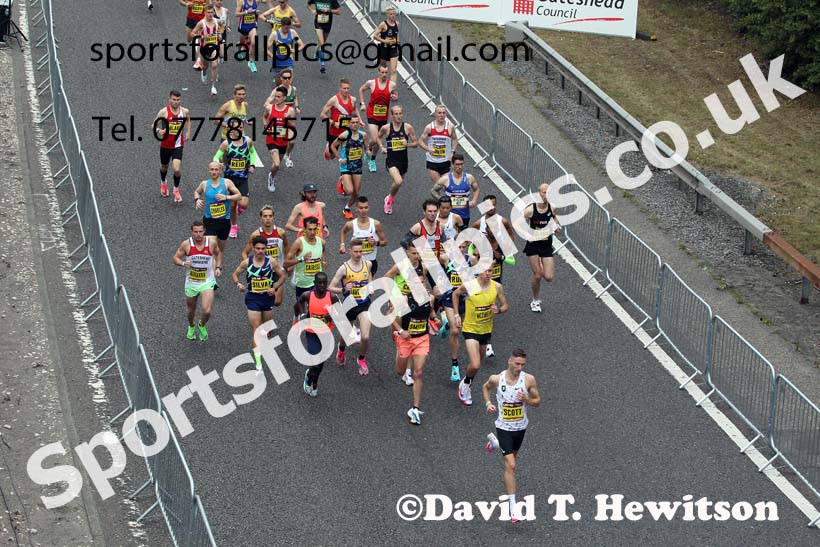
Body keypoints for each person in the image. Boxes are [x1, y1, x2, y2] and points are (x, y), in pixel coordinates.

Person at [483, 349, 541, 522]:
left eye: (522, 364)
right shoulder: (497, 379)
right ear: (509, 361)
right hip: (503, 426)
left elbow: (537, 401)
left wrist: (526, 400)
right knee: (512, 465)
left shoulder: (528, 379)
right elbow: (485, 388)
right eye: (517, 363)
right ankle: (512, 507)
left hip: (520, 427)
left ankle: (495, 442)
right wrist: (488, 403)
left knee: (511, 460)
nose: (519, 367)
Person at [453, 266, 509, 406]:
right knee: (476, 363)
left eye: (490, 271)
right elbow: (455, 294)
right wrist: (456, 314)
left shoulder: (497, 287)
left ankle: (467, 380)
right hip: (470, 329)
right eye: (484, 270)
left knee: (477, 363)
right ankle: (465, 385)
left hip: (486, 330)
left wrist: (500, 310)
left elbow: (505, 305)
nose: (487, 273)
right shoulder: (470, 286)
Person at [232, 235, 287, 369]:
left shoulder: (271, 262)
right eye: (257, 248)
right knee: (256, 330)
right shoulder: (247, 263)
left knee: (267, 327)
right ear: (253, 249)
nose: (260, 251)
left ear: (266, 248)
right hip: (253, 298)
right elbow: (235, 274)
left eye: (263, 248)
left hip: (267, 298)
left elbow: (282, 277)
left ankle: (262, 338)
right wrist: (238, 284)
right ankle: (258, 364)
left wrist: (274, 287)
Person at [391, 274, 438, 425]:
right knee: (400, 371)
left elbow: (430, 313)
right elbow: (392, 319)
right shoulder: (404, 300)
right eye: (419, 282)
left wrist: (435, 319)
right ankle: (399, 349)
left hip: (422, 339)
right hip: (405, 339)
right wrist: (400, 331)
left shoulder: (430, 298)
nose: (422, 285)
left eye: (423, 282)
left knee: (418, 372)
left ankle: (415, 408)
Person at [329, 239, 373, 375]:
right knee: (346, 336)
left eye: (361, 251)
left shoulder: (368, 264)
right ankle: (341, 350)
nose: (359, 254)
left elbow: (369, 276)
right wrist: (343, 289)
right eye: (356, 252)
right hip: (349, 306)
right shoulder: (344, 268)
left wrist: (370, 287)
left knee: (365, 337)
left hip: (364, 304)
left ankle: (361, 359)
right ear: (350, 252)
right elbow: (330, 287)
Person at [173, 221, 222, 340]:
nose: (198, 234)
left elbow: (218, 253)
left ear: (204, 231)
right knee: (191, 310)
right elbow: (175, 258)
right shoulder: (186, 244)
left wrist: (218, 267)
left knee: (207, 310)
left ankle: (202, 325)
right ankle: (191, 326)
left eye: (200, 231)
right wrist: (183, 263)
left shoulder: (211, 243)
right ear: (192, 232)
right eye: (196, 232)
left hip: (207, 282)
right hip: (192, 282)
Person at [468, 230, 514, 357]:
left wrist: (502, 258)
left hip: (495, 281)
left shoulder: (502, 245)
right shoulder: (477, 244)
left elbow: (512, 261)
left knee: (487, 312)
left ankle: (487, 344)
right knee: (477, 310)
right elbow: (469, 257)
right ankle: (476, 337)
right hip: (480, 281)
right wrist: (477, 256)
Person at [293, 272, 340, 396]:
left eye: (325, 283)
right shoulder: (308, 295)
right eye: (320, 283)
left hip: (326, 334)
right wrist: (302, 314)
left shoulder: (332, 297)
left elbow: (340, 312)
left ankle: (315, 381)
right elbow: (298, 303)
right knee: (315, 362)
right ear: (314, 283)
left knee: (321, 361)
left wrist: (332, 315)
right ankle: (309, 377)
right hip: (312, 332)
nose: (322, 285)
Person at [213, 122, 258, 238]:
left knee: (244, 204)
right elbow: (216, 156)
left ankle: (239, 207)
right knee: (232, 206)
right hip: (230, 179)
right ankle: (233, 226)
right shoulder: (226, 143)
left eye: (241, 127)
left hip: (243, 178)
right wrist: (218, 163)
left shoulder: (247, 141)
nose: (238, 130)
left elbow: (253, 153)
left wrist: (252, 165)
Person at [523, 182, 561, 313]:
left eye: (549, 192)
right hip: (533, 246)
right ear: (538, 194)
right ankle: (535, 300)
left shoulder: (553, 207)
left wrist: (556, 226)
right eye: (544, 192)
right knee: (538, 275)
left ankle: (541, 264)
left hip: (546, 245)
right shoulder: (530, 210)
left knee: (549, 277)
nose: (547, 195)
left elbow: (555, 218)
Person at [243, 206, 290, 305]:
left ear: (273, 218)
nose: (267, 218)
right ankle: (262, 312)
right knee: (265, 299)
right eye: (265, 216)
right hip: (262, 271)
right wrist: (250, 266)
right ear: (260, 218)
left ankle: (264, 309)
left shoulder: (281, 233)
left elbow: (286, 246)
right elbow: (245, 253)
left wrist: (288, 262)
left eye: (270, 216)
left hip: (277, 269)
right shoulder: (255, 235)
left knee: (277, 302)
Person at [193, 162, 243, 252]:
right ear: (209, 171)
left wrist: (227, 197)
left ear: (220, 171)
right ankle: (213, 265)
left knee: (219, 250)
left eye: (216, 170)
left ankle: (217, 265)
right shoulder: (204, 184)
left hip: (224, 221)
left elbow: (239, 195)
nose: (214, 172)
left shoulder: (227, 183)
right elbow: (197, 192)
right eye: (212, 170)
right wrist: (197, 200)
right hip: (209, 221)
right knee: (211, 248)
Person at [358, 63, 399, 173]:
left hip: (383, 116)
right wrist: (362, 103)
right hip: (372, 113)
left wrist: (394, 96)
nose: (384, 74)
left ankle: (371, 156)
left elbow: (395, 94)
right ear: (378, 72)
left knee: (376, 140)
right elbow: (361, 89)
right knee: (376, 138)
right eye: (382, 72)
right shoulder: (371, 83)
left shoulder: (392, 85)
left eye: (386, 72)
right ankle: (368, 152)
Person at [379, 105, 417, 215]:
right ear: (392, 115)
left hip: (403, 161)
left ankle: (389, 197)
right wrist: (381, 146)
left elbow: (416, 143)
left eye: (400, 113)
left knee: (398, 184)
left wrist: (408, 144)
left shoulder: (408, 128)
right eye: (396, 114)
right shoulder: (386, 128)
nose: (398, 116)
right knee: (398, 181)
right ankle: (389, 200)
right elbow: (378, 136)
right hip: (391, 160)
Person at [153, 90, 191, 202]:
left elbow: (188, 120)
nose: (176, 102)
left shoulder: (184, 111)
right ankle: (163, 183)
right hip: (165, 145)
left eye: (178, 100)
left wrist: (188, 132)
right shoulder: (164, 112)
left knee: (176, 168)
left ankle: (176, 189)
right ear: (169, 99)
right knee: (164, 166)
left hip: (178, 145)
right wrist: (159, 130)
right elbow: (153, 125)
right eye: (174, 99)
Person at [330, 116, 369, 220]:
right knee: (350, 190)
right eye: (353, 122)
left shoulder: (363, 135)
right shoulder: (344, 135)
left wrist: (368, 152)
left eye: (357, 122)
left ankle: (346, 208)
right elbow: (333, 146)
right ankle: (342, 181)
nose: (355, 124)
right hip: (346, 166)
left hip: (357, 165)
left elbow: (367, 147)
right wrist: (339, 159)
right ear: (349, 124)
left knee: (356, 193)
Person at [339, 196, 387, 275]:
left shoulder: (376, 224)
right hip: (356, 263)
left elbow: (384, 242)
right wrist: (342, 245)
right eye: (361, 208)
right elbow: (343, 232)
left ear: (369, 208)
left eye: (366, 207)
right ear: (356, 209)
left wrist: (376, 243)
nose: (364, 210)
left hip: (371, 262)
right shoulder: (351, 224)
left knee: (367, 286)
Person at [261, 86, 296, 192]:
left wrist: (287, 120)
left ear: (284, 98)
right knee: (276, 163)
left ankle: (274, 173)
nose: (276, 98)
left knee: (277, 165)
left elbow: (293, 125)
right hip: (271, 139)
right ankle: (271, 178)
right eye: (275, 96)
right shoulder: (270, 108)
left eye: (279, 97)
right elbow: (264, 117)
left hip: (283, 140)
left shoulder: (290, 111)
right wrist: (265, 125)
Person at [284, 216, 327, 299]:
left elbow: (323, 250)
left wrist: (323, 260)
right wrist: (302, 259)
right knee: (301, 308)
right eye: (310, 229)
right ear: (305, 229)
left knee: (316, 308)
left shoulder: (321, 242)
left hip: (317, 283)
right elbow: (286, 263)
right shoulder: (298, 243)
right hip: (302, 283)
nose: (313, 232)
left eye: (315, 229)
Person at [265, 68, 300, 167]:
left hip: (289, 118)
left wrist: (296, 107)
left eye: (289, 78)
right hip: (278, 118)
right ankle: (278, 154)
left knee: (292, 141)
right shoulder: (277, 91)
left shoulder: (293, 89)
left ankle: (287, 155)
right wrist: (274, 107)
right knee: (280, 139)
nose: (287, 80)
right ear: (281, 78)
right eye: (285, 78)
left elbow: (295, 97)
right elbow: (266, 103)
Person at [431, 154, 479, 227]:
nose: (459, 167)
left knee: (462, 236)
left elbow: (476, 189)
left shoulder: (469, 178)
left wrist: (474, 200)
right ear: (453, 165)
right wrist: (442, 200)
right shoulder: (445, 179)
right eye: (457, 164)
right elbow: (433, 191)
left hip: (464, 214)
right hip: (449, 215)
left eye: (461, 164)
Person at [418, 105, 458, 186]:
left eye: (443, 113)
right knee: (438, 185)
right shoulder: (429, 127)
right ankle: (439, 197)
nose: (442, 115)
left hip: (445, 160)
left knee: (447, 185)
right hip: (432, 161)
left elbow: (455, 139)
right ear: (435, 114)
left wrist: (452, 152)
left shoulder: (450, 127)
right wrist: (428, 149)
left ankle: (445, 198)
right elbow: (420, 141)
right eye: (439, 113)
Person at [319, 79, 357, 161]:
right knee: (330, 156)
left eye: (348, 88)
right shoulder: (334, 100)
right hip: (334, 131)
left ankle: (345, 171)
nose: (346, 90)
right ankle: (328, 147)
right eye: (344, 88)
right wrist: (333, 123)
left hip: (347, 131)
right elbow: (322, 115)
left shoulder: (353, 99)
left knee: (348, 154)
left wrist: (359, 121)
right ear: (339, 88)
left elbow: (354, 110)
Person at [405, 198, 448, 268]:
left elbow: (445, 243)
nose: (432, 214)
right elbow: (404, 242)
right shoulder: (417, 227)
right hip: (422, 260)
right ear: (424, 212)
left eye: (434, 211)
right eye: (430, 211)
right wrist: (418, 249)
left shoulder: (440, 226)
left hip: (436, 259)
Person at [306, 0, 341, 73]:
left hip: (328, 24)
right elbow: (308, 4)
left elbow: (339, 11)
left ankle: (317, 49)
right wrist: (312, 10)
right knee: (322, 44)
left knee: (323, 43)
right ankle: (322, 64)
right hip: (318, 23)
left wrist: (329, 10)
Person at [371, 6, 399, 83]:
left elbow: (396, 34)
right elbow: (375, 36)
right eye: (391, 14)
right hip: (384, 48)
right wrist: (384, 41)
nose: (393, 16)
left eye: (394, 14)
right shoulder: (383, 24)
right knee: (383, 67)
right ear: (387, 14)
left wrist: (397, 41)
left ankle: (392, 90)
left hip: (393, 49)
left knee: (393, 70)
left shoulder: (397, 23)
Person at [236, 0, 261, 72]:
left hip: (252, 26)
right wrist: (246, 12)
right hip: (243, 26)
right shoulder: (242, 2)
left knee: (254, 42)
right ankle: (239, 49)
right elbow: (236, 14)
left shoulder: (256, 1)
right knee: (242, 42)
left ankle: (251, 62)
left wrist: (256, 12)